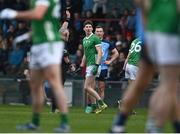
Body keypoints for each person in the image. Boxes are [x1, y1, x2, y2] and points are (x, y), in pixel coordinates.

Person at [110, 0, 180, 133]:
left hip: (150, 32)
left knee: (140, 83)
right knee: (169, 85)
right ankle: (155, 126)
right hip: (170, 31)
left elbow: (141, 4)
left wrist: (147, 31)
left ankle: (118, 124)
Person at [0, 0, 70, 132]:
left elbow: (38, 14)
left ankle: (64, 123)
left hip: (49, 44)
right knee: (35, 84)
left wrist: (14, 14)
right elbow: (43, 22)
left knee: (54, 82)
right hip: (39, 43)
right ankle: (35, 122)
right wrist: (27, 35)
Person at [85, 25, 119, 114]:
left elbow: (116, 53)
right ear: (95, 32)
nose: (99, 33)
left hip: (103, 67)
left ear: (103, 33)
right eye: (97, 31)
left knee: (101, 88)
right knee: (90, 87)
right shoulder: (92, 40)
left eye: (100, 31)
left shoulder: (107, 43)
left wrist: (110, 61)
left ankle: (100, 106)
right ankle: (90, 105)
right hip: (93, 65)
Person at [79, 20, 107, 114]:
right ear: (83, 29)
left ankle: (101, 103)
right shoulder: (84, 39)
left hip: (94, 65)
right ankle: (95, 106)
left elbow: (100, 52)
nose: (88, 28)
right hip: (89, 65)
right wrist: (81, 65)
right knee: (91, 87)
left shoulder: (95, 38)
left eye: (89, 27)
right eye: (86, 27)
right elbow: (85, 54)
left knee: (86, 87)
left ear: (92, 29)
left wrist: (97, 65)